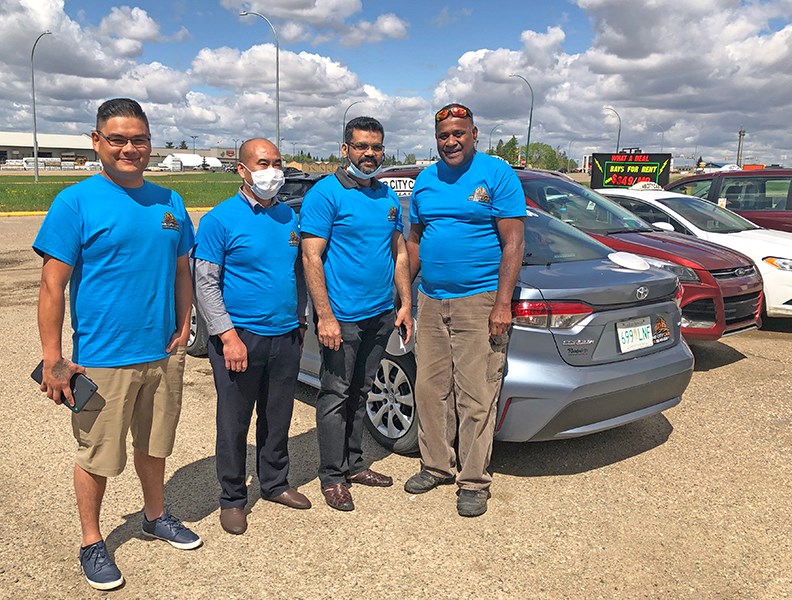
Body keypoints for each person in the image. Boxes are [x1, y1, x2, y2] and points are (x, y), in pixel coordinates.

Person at [34, 98, 200, 591]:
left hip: (162, 354)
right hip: (103, 359)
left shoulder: (170, 202)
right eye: (118, 139)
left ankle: (155, 515)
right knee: (97, 456)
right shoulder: (75, 202)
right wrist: (52, 358)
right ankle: (91, 540)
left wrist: (185, 321)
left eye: (139, 139)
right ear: (97, 142)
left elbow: (181, 268)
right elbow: (51, 286)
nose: (130, 148)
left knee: (154, 446)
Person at [404, 103, 525, 517]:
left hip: (481, 302)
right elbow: (415, 240)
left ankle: (473, 480)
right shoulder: (425, 180)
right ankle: (436, 465)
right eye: (443, 135)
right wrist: (405, 296)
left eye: (459, 133)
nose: (451, 141)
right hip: (432, 300)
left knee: (476, 392)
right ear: (435, 139)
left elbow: (513, 242)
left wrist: (502, 304)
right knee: (431, 389)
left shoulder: (497, 175)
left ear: (474, 134)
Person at [194, 137, 311, 536]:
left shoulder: (288, 218)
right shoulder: (218, 220)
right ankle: (232, 498)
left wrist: (300, 317)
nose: (272, 170)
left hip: (285, 336)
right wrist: (227, 336)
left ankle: (275, 483)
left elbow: (296, 272)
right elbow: (206, 283)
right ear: (243, 170)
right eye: (263, 163)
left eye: (277, 162)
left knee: (278, 417)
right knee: (234, 420)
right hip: (239, 337)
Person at [300, 116, 413, 511]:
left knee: (362, 392)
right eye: (362, 146)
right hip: (342, 317)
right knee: (335, 394)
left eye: (376, 147)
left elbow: (399, 252)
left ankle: (354, 464)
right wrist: (325, 316)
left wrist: (405, 305)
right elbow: (311, 257)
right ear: (345, 149)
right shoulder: (325, 194)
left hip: (380, 313)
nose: (370, 154)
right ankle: (331, 476)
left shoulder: (386, 197)